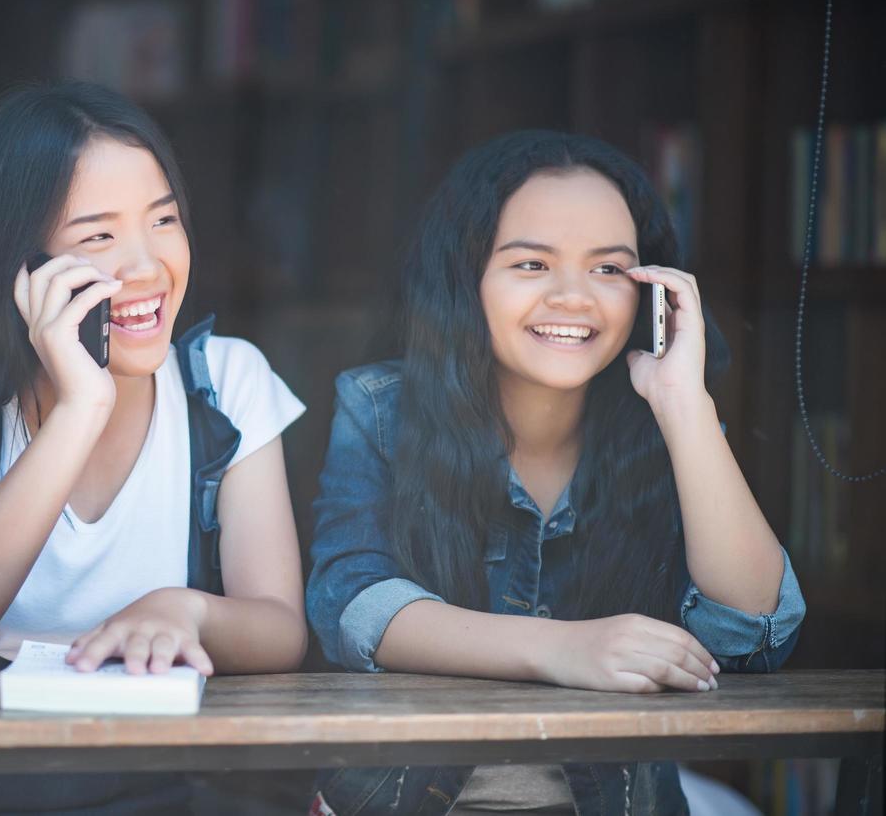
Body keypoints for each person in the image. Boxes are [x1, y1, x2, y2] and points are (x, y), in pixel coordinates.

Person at [305, 130, 805, 816]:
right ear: (465, 276)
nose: (574, 297)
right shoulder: (380, 408)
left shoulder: (666, 422)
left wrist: (682, 402)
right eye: (532, 265)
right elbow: (350, 605)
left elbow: (756, 635)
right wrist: (565, 648)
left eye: (608, 270)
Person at [0, 80, 307, 813]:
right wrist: (80, 406)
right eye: (98, 236)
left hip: (160, 778)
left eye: (163, 221)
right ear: (17, 266)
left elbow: (281, 629)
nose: (146, 264)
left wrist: (184, 610)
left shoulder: (227, 379)